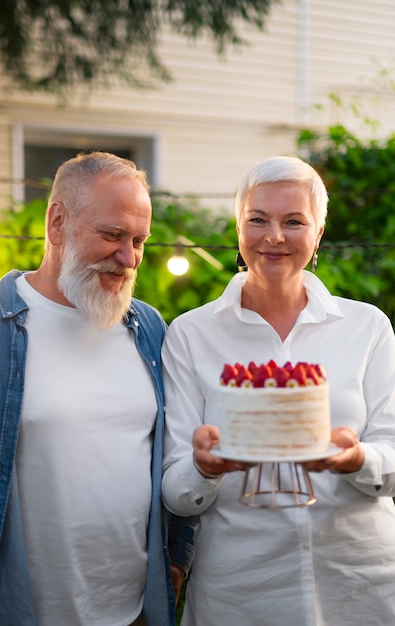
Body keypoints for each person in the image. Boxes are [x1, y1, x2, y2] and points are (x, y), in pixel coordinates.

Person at [161, 155, 395, 625]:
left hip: (360, 582)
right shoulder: (191, 334)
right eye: (258, 219)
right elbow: (174, 491)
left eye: (294, 221)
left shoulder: (367, 326)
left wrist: (356, 459)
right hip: (241, 590)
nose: (274, 236)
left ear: (319, 233)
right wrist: (203, 467)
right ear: (238, 227)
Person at [0, 151, 196, 626]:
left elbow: (178, 453)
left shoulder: (151, 328)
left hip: (134, 613)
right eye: (113, 235)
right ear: (57, 223)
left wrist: (176, 562)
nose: (130, 258)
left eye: (140, 240)